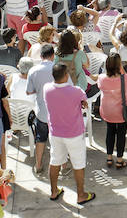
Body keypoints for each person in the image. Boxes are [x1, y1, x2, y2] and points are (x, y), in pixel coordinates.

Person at [43, 63, 95, 205]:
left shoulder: (46, 89)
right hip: (74, 134)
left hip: (55, 133)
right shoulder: (76, 91)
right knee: (78, 163)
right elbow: (84, 103)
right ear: (66, 76)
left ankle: (54, 191)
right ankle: (81, 194)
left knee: (55, 161)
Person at [97, 53, 127, 169]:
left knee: (110, 132)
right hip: (122, 111)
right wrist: (122, 70)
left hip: (107, 110)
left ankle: (109, 157)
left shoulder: (101, 78)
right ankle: (119, 160)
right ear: (119, 65)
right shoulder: (125, 78)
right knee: (121, 134)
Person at [25, 45, 55, 174]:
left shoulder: (33, 70)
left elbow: (29, 91)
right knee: (58, 140)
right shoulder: (59, 68)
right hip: (57, 111)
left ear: (41, 56)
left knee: (40, 139)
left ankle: (38, 165)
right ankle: (63, 165)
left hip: (41, 111)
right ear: (53, 55)